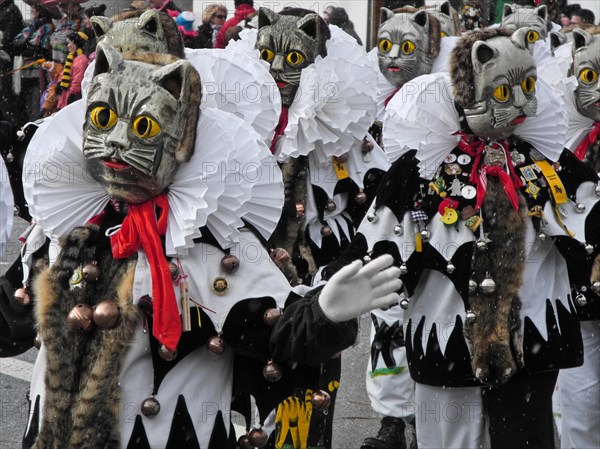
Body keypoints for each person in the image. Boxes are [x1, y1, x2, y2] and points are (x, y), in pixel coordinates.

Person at [17, 33, 401, 448]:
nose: (117, 142)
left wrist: (326, 312)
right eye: (104, 120)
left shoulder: (213, 248)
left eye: (143, 127)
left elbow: (278, 334)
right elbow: (13, 316)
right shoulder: (70, 230)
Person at [323, 27, 600, 448]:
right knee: (449, 438)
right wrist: (332, 291)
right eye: (504, 93)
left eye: (527, 87)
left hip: (534, 332)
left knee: (527, 435)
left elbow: (588, 222)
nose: (522, 106)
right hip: (445, 334)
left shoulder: (547, 161)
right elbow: (380, 239)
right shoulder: (422, 168)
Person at [56, 31, 89, 110]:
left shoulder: (82, 59)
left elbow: (77, 82)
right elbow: (63, 74)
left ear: (74, 43)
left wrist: (71, 98)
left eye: (69, 43)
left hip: (72, 98)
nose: (67, 46)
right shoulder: (72, 58)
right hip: (65, 96)